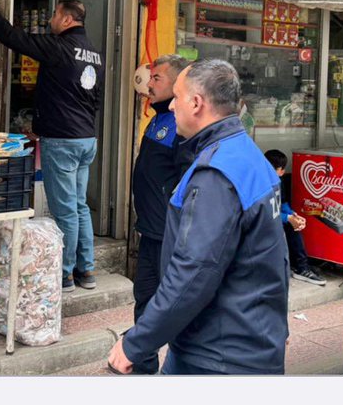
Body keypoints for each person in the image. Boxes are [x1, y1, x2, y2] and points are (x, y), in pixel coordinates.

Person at [108, 59, 289, 375]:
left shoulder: (216, 175)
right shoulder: (248, 154)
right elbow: (275, 256)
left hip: (218, 352)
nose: (172, 105)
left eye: (177, 97)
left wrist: (137, 342)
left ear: (196, 103)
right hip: (251, 337)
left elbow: (194, 271)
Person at [0, 0, 103, 292]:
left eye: (55, 14)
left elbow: (13, 38)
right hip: (87, 138)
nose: (50, 20)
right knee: (80, 206)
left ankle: (66, 273)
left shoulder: (59, 47)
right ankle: (88, 270)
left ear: (68, 19)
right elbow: (94, 98)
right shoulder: (94, 54)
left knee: (65, 209)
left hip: (63, 140)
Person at [130, 54, 189, 375]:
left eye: (157, 79)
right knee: (145, 299)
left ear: (177, 84)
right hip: (151, 230)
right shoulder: (158, 117)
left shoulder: (181, 125)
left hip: (170, 233)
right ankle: (143, 365)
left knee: (174, 305)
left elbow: (187, 179)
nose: (148, 84)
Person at [264, 149, 326, 287]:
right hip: (261, 224)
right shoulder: (259, 184)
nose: (283, 172)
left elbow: (283, 204)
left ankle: (301, 266)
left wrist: (293, 215)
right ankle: (300, 266)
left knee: (294, 226)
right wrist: (287, 218)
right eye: (281, 169)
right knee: (288, 223)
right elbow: (265, 213)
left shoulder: (278, 181)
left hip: (275, 218)